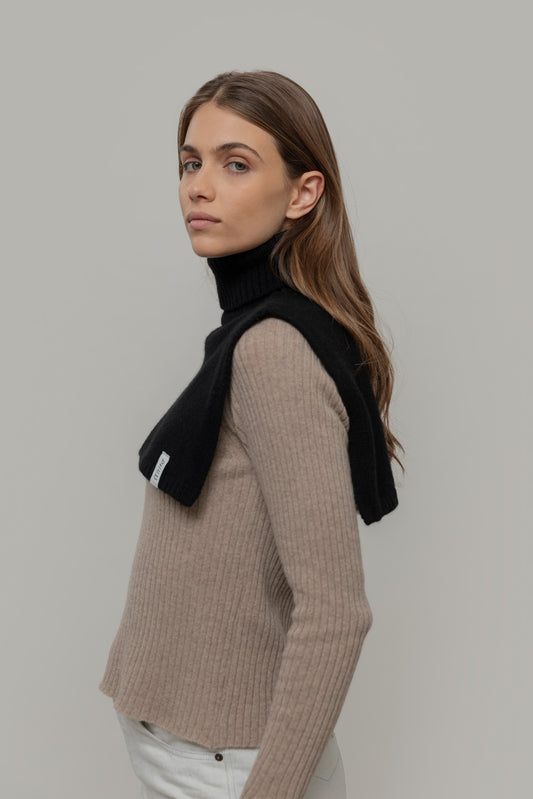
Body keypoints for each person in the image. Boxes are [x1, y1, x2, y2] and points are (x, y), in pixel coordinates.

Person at [98, 69, 404, 799]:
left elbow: (336, 611)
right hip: (198, 751)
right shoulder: (253, 333)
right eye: (190, 163)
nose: (198, 187)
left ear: (303, 192)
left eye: (235, 164)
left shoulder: (273, 351)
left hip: (229, 769)